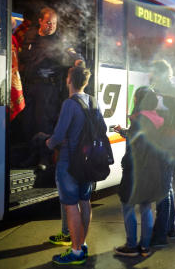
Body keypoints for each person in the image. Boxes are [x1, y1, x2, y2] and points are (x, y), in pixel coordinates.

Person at [46, 66, 103, 264]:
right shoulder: (93, 101)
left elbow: (59, 135)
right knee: (84, 202)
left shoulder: (70, 104)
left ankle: (76, 251)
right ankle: (82, 244)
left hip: (69, 162)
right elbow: (101, 128)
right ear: (85, 82)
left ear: (69, 80)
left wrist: (48, 142)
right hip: (87, 162)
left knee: (71, 206)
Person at [19, 6, 82, 169]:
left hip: (47, 89)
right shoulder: (30, 35)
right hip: (29, 85)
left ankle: (44, 159)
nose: (51, 26)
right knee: (28, 124)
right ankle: (31, 155)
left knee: (43, 123)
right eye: (48, 23)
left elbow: (72, 52)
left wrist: (78, 60)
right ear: (40, 21)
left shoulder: (60, 39)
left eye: (54, 23)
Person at [113, 87, 171, 257]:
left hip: (137, 171)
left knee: (128, 205)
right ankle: (145, 247)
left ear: (138, 100)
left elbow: (136, 143)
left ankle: (131, 246)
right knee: (146, 207)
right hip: (153, 169)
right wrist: (124, 131)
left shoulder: (139, 119)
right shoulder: (157, 118)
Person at [148, 60, 175, 246]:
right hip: (165, 144)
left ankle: (159, 236)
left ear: (163, 73)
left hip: (167, 145)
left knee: (162, 191)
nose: (151, 75)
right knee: (166, 187)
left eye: (154, 72)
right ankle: (170, 228)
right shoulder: (162, 90)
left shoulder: (170, 91)